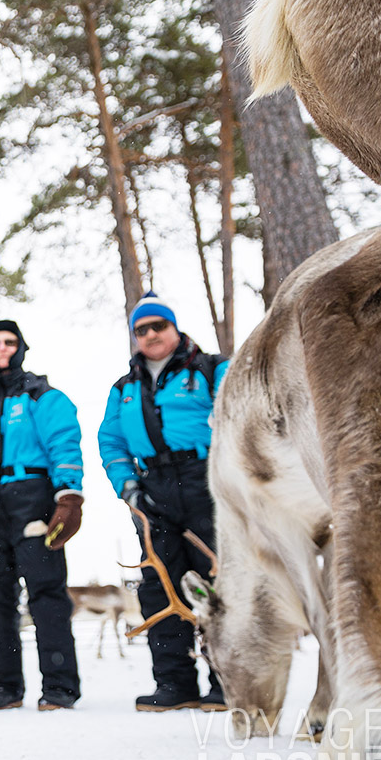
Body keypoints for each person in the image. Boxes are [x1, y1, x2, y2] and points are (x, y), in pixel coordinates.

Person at [97, 292, 228, 712]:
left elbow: (242, 420)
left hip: (207, 483)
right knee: (160, 585)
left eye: (158, 326)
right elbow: (112, 441)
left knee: (217, 582)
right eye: (141, 329)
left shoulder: (212, 370)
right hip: (153, 491)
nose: (151, 334)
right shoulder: (124, 389)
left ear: (174, 328)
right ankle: (174, 683)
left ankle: (228, 680)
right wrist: (128, 487)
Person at [0, 319, 84, 712]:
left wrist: (69, 496)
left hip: (34, 497)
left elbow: (64, 443)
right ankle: (5, 687)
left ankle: (59, 687)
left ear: (21, 347)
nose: (2, 348)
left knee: (46, 594)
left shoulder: (44, 397)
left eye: (9, 341)